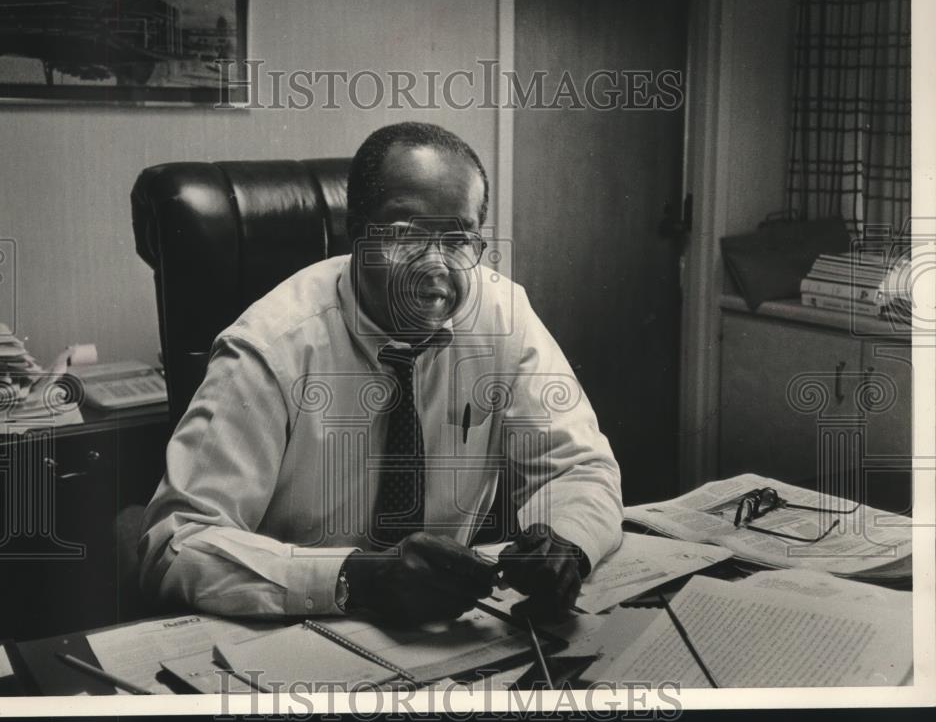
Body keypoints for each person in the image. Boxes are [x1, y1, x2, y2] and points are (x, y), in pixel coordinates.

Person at [138, 122, 622, 626]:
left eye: (458, 239)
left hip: (443, 629)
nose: (433, 267)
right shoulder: (271, 346)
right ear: (357, 233)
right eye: (405, 235)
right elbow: (174, 543)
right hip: (298, 627)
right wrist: (356, 579)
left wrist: (567, 540)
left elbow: (579, 468)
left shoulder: (504, 317)